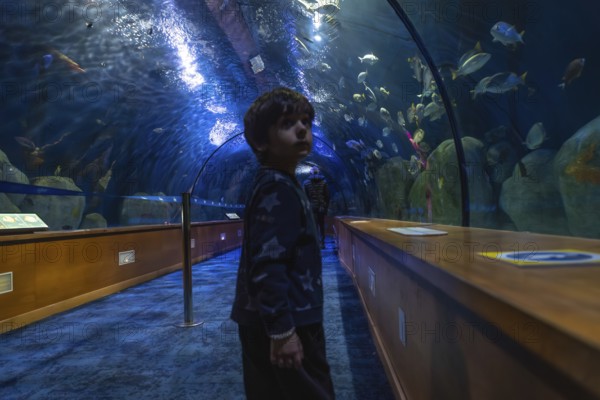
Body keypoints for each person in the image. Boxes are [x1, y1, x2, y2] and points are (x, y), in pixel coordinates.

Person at [230, 87, 335, 400]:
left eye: (306, 122)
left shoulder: (281, 182)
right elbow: (268, 264)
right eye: (288, 123)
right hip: (287, 319)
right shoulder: (277, 188)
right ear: (261, 141)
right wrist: (282, 331)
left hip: (275, 316)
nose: (302, 128)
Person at [303, 166, 330, 249]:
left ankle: (315, 243)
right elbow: (327, 196)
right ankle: (322, 243)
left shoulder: (306, 183)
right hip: (321, 207)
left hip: (311, 207)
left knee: (313, 226)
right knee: (321, 225)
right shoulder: (324, 182)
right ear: (318, 172)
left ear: (310, 172)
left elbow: (304, 197)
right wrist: (325, 207)